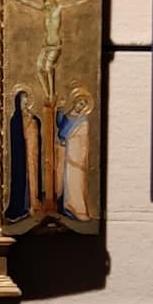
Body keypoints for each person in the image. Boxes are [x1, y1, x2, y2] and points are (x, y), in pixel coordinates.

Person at [5, 87, 43, 223]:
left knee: (32, 178)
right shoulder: (15, 120)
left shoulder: (32, 116)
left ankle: (32, 204)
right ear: (18, 102)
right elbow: (17, 139)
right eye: (23, 99)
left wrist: (33, 121)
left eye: (27, 99)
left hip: (32, 154)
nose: (26, 102)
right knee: (20, 179)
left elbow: (37, 128)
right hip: (21, 156)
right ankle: (20, 208)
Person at [56, 87, 94, 220]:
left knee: (75, 182)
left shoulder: (82, 121)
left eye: (83, 105)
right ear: (75, 102)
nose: (80, 106)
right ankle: (63, 206)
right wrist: (60, 109)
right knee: (61, 179)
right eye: (79, 103)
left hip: (75, 156)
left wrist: (70, 142)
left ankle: (75, 208)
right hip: (63, 151)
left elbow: (82, 139)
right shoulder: (67, 116)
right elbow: (60, 126)